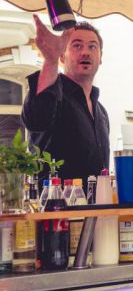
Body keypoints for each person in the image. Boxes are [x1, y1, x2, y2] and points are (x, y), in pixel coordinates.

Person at [22, 15, 110, 189]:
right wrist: (50, 60)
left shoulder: (101, 111)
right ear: (62, 56)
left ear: (100, 57)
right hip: (56, 204)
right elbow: (36, 119)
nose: (85, 52)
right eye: (77, 45)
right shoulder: (55, 94)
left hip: (97, 205)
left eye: (92, 46)